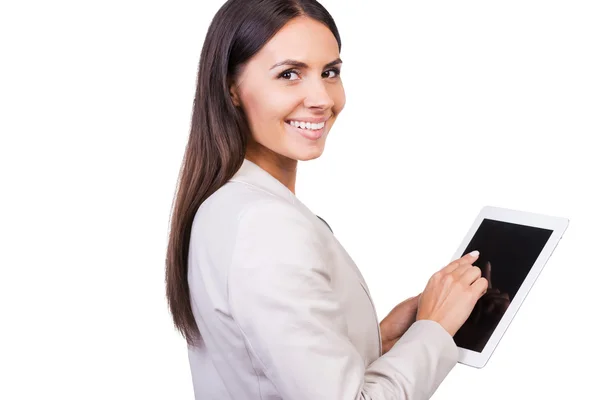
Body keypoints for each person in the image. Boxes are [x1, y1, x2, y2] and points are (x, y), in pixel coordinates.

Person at [165, 0, 489, 398]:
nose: (321, 98)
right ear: (231, 88)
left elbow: (263, 366)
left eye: (330, 72)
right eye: (289, 74)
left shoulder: (225, 207)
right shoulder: (264, 225)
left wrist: (382, 339)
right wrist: (434, 329)